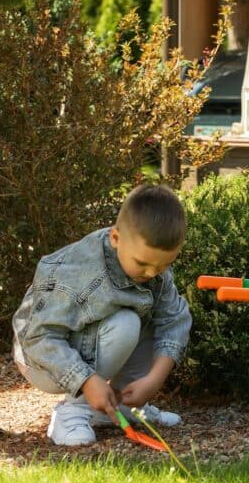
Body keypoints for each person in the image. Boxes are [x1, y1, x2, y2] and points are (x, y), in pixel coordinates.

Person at [12, 184, 192, 445]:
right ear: (116, 238)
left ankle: (123, 406)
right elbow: (38, 336)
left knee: (156, 307)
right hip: (39, 360)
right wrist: (85, 380)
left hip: (88, 340)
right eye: (143, 263)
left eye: (164, 265)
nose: (153, 273)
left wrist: (152, 381)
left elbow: (174, 320)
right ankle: (72, 412)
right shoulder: (79, 274)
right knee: (127, 322)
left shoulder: (150, 269)